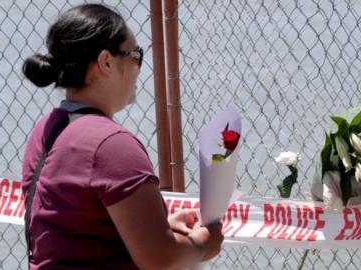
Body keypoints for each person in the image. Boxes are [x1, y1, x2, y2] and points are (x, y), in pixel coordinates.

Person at [21, 3, 223, 269]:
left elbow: (73, 230)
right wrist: (206, 241)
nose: (139, 66)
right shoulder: (111, 144)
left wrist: (158, 227)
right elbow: (160, 259)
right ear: (106, 62)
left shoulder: (46, 129)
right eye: (135, 54)